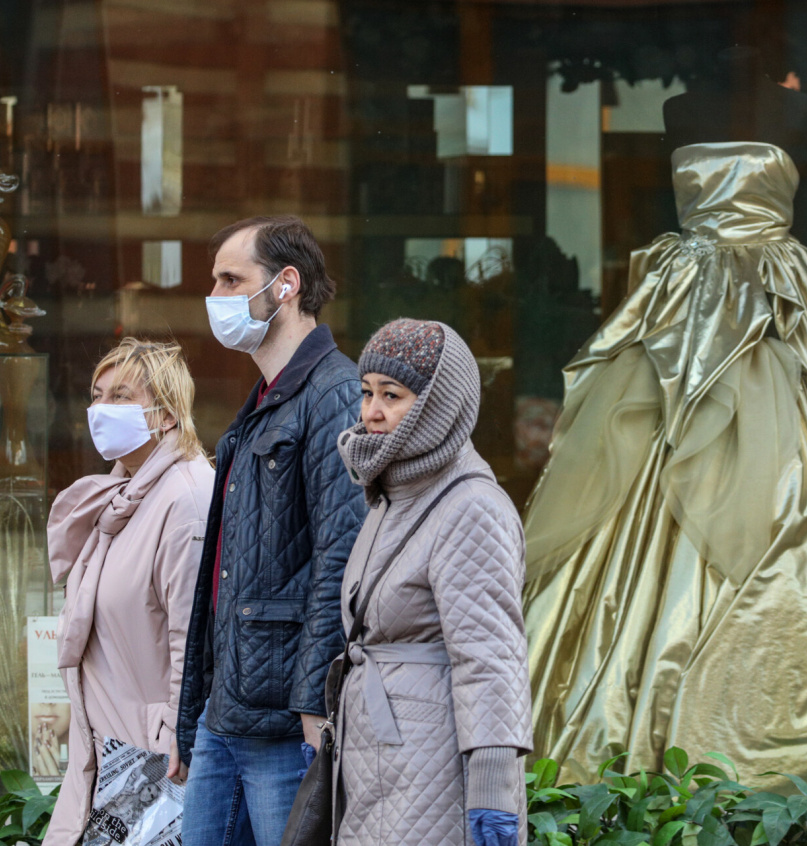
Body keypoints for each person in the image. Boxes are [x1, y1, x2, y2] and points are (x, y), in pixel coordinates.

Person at [521, 63, 807, 787]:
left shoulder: (799, 110)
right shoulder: (683, 105)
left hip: (783, 306)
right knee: (640, 465)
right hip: (686, 313)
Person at [176, 215, 367, 846]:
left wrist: (314, 701)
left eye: (232, 279)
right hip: (228, 711)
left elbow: (341, 557)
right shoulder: (264, 400)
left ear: (286, 284)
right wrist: (194, 713)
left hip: (285, 721)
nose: (216, 296)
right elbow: (223, 573)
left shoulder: (335, 393)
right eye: (215, 281)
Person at [333, 318, 532, 846]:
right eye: (367, 393)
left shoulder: (471, 506)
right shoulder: (394, 494)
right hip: (381, 765)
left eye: (392, 395)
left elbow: (491, 657)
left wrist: (493, 787)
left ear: (436, 405)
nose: (372, 412)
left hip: (434, 771)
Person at [43, 338, 214, 845]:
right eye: (97, 396)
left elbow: (192, 638)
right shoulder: (124, 495)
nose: (101, 409)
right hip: (107, 749)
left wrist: (180, 736)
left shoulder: (185, 499)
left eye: (121, 396)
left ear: (166, 413)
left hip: (153, 761)